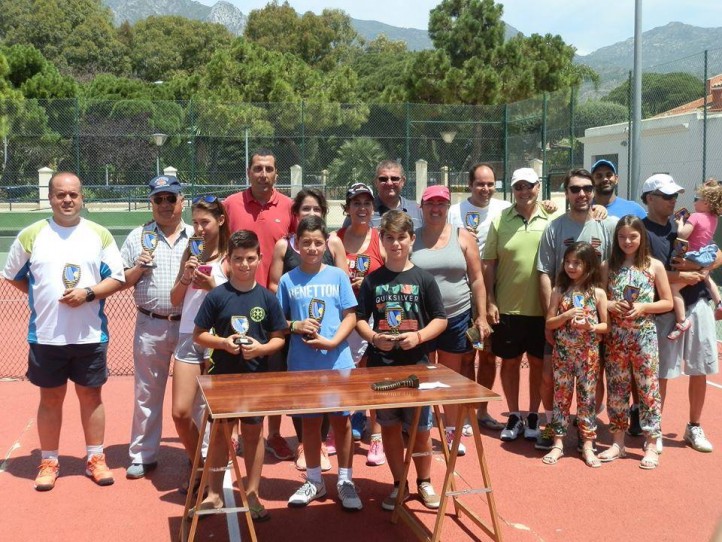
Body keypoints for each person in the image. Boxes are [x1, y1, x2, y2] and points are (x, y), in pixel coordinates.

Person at [3, 172, 125, 490]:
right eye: (60, 194)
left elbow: (118, 278)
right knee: (50, 399)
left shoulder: (99, 234)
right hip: (46, 335)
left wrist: (88, 293)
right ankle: (49, 461)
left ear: (82, 197)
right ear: (50, 197)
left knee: (91, 397)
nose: (67, 200)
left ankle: (95, 458)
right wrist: (39, 293)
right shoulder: (32, 234)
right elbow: (14, 275)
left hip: (89, 335)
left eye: (73, 194)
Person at [356, 210, 447, 512]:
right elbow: (358, 319)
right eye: (390, 238)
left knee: (421, 432)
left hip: (417, 366)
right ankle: (399, 483)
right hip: (382, 367)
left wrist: (419, 337)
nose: (396, 244)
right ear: (382, 240)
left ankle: (424, 481)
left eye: (401, 238)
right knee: (390, 428)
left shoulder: (424, 278)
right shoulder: (372, 281)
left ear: (411, 240)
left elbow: (440, 319)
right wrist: (372, 337)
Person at [193, 230, 287, 520]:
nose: (244, 264)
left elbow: (279, 339)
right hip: (223, 377)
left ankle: (253, 494)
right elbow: (199, 336)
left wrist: (259, 350)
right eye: (238, 259)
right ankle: (213, 494)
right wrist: (222, 343)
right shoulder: (217, 296)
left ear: (260, 259)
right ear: (228, 260)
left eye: (250, 258)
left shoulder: (268, 299)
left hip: (255, 379)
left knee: (253, 434)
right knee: (221, 435)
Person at [276, 216, 360, 511]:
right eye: (306, 242)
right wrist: (296, 325)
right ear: (296, 245)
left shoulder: (337, 276)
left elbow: (351, 315)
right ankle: (314, 480)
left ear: (326, 244)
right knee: (310, 424)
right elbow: (278, 323)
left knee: (342, 422)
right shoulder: (287, 280)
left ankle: (346, 480)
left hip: (338, 362)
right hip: (302, 364)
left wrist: (333, 341)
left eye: (317, 242)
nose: (312, 248)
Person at [536, 168, 617, 450]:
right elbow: (545, 273)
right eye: (574, 189)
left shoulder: (605, 226)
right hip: (560, 322)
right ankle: (551, 426)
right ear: (566, 193)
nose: (581, 193)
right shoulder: (555, 228)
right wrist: (552, 317)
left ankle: (586, 431)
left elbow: (606, 270)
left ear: (594, 192)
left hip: (591, 326)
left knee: (592, 382)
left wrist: (601, 312)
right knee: (550, 377)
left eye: (586, 188)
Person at [267, 188, 348, 471]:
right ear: (296, 213)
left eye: (316, 210)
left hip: (329, 338)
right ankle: (304, 443)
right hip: (296, 332)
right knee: (302, 394)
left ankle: (323, 445)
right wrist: (296, 321)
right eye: (306, 210)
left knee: (330, 397)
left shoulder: (334, 245)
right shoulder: (283, 247)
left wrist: (330, 334)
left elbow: (343, 291)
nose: (311, 214)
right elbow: (275, 286)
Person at [223, 149, 296, 462]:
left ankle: (274, 434)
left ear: (276, 174)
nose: (263, 174)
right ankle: (237, 432)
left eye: (268, 169)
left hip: (275, 305)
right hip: (235, 301)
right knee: (237, 367)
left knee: (274, 374)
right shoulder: (230, 204)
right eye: (257, 169)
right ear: (248, 172)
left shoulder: (290, 208)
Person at [121, 175, 195, 479]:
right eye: (158, 199)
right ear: (151, 203)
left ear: (182, 202)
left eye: (170, 198)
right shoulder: (137, 236)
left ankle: (197, 451)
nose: (165, 204)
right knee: (147, 392)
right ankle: (143, 454)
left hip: (191, 326)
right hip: (151, 323)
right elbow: (121, 279)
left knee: (195, 396)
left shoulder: (196, 235)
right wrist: (139, 265)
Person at [641, 173, 720, 454]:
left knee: (700, 368)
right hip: (663, 308)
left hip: (697, 303)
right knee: (660, 372)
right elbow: (647, 273)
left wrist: (703, 269)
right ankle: (655, 428)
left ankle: (694, 426)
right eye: (667, 196)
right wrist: (686, 274)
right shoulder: (640, 231)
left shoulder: (684, 224)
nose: (674, 200)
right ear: (650, 199)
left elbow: (715, 253)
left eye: (675, 195)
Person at [412, 184, 490, 456]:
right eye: (430, 204)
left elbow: (477, 279)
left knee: (449, 378)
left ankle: (450, 431)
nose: (436, 209)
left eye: (441, 204)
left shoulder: (463, 236)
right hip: (420, 320)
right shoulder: (411, 238)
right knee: (421, 376)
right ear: (421, 207)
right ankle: (420, 430)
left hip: (456, 316)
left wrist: (481, 316)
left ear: (448, 207)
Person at [483, 168, 556, 444]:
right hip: (508, 308)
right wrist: (490, 299)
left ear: (539, 187)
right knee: (510, 363)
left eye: (529, 186)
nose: (524, 192)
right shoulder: (501, 220)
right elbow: (489, 262)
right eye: (518, 187)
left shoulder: (553, 217)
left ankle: (534, 415)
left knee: (539, 364)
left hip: (542, 309)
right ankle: (514, 414)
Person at [598, 216, 672, 469]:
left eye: (632, 236)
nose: (627, 241)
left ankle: (651, 442)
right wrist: (610, 304)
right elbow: (597, 299)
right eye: (622, 237)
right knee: (617, 390)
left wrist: (643, 307)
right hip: (616, 338)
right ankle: (617, 441)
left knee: (648, 389)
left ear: (641, 237)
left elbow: (668, 302)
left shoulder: (654, 266)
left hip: (644, 338)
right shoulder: (609, 266)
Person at [169, 195, 230, 488]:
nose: (199, 228)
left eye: (204, 222)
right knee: (181, 413)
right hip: (188, 335)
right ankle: (199, 467)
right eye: (195, 223)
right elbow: (175, 299)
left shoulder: (231, 256)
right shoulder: (190, 253)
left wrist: (213, 286)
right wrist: (186, 277)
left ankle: (213, 478)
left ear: (220, 221)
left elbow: (239, 300)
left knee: (214, 414)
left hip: (219, 338)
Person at [448, 163, 510, 432]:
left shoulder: (504, 208)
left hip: (492, 293)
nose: (485, 189)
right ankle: (465, 411)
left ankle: (482, 410)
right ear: (470, 185)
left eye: (490, 184)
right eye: (480, 184)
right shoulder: (455, 212)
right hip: (464, 294)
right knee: (464, 357)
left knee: (487, 355)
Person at [335, 182, 387, 466]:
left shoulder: (380, 239)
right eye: (356, 203)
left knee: (373, 376)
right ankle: (343, 425)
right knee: (345, 374)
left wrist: (368, 284)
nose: (362, 208)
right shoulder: (335, 238)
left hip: (374, 317)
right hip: (344, 317)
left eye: (367, 203)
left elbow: (393, 274)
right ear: (347, 208)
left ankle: (376, 437)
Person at [542, 242, 608, 468]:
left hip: (588, 355)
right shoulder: (559, 290)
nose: (571, 266)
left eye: (577, 263)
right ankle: (558, 443)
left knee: (587, 399)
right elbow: (550, 322)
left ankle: (588, 444)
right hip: (563, 354)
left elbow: (605, 326)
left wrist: (590, 326)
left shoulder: (598, 292)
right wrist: (566, 315)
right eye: (567, 261)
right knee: (560, 397)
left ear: (588, 265)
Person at [668, 180, 722, 339]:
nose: (694, 202)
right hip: (706, 255)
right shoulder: (714, 218)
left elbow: (682, 235)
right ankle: (718, 302)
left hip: (692, 256)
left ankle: (682, 320)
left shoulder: (696, 217)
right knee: (706, 276)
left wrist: (680, 223)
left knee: (674, 288)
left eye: (695, 199)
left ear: (705, 202)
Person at [342, 160, 423, 229]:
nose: (389, 183)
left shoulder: (418, 211)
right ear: (375, 182)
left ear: (403, 181)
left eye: (394, 178)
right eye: (383, 179)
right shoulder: (361, 213)